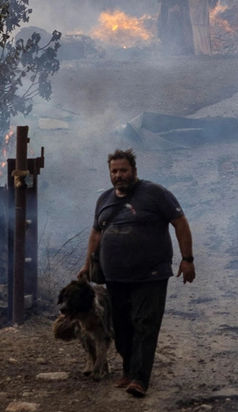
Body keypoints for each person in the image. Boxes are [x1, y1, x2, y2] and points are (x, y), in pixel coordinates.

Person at [78, 149, 195, 398]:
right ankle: (128, 370)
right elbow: (96, 233)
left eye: (123, 170)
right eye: (114, 171)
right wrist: (87, 265)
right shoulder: (104, 199)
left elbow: (180, 222)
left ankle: (140, 378)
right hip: (115, 276)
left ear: (134, 171)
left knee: (145, 323)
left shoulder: (155, 193)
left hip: (151, 273)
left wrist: (187, 259)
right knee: (122, 326)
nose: (118, 175)